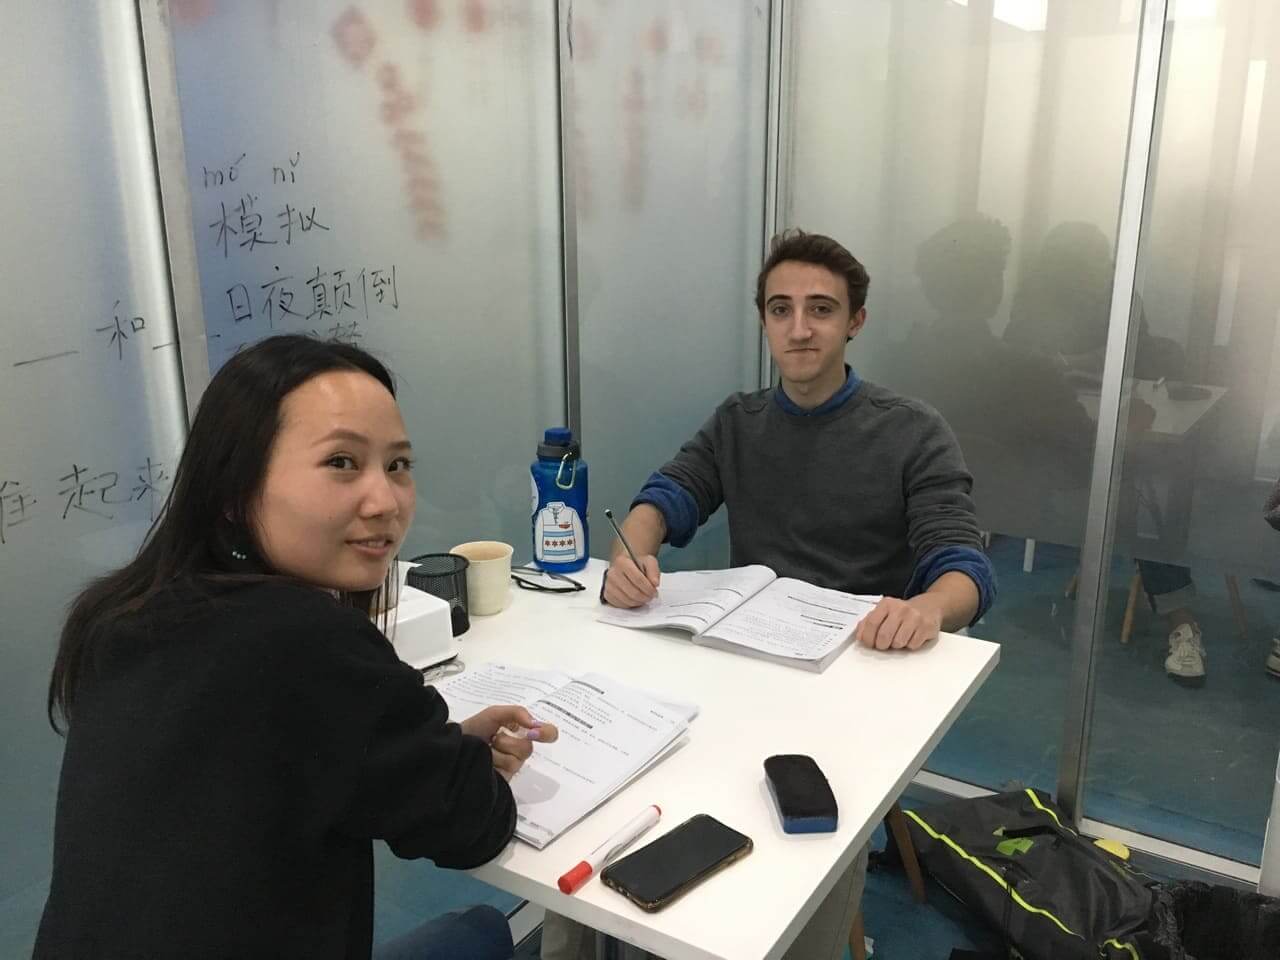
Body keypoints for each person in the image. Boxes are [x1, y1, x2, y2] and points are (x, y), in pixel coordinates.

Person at [540, 230, 996, 960]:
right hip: (734, 662)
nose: (799, 327)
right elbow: (670, 492)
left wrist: (925, 608)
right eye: (781, 309)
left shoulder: (910, 431)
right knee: (609, 773)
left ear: (856, 322)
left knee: (797, 855)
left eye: (821, 309)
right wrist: (634, 552)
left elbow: (964, 566)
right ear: (763, 321)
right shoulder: (738, 421)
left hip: (849, 680)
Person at [35, 335, 557, 960]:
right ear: (235, 487)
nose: (385, 500)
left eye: (398, 465)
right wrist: (459, 765)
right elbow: (473, 826)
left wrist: (434, 750)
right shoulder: (306, 642)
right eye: (341, 462)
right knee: (482, 932)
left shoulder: (123, 613)